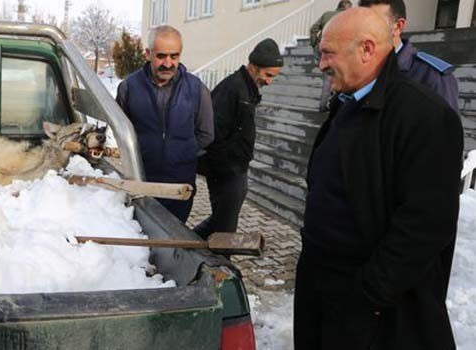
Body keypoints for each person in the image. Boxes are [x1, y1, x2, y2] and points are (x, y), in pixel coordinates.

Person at [295, 7, 463, 350]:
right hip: (325, 292)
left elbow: (425, 225)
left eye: (328, 53)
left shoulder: (425, 116)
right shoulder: (349, 102)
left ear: (367, 49)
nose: (321, 64)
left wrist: (365, 296)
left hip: (373, 314)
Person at [116, 25, 214, 223]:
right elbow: (120, 131)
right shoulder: (129, 87)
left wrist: (180, 153)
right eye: (161, 56)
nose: (168, 63)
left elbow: (206, 134)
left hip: (179, 187)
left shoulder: (196, 89)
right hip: (141, 181)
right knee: (141, 238)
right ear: (148, 54)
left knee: (173, 237)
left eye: (174, 56)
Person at [193, 39, 283, 239]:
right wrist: (228, 169)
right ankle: (221, 266)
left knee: (220, 223)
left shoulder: (247, 88)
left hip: (234, 171)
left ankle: (185, 244)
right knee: (225, 233)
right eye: (268, 75)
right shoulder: (233, 89)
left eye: (274, 77)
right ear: (253, 67)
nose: (270, 81)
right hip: (226, 174)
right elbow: (212, 134)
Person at [359, 0, 460, 112]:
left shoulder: (432, 76)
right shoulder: (357, 67)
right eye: (361, 24)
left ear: (398, 26)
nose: (364, 31)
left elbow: (446, 127)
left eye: (373, 24)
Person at [310, 1, 353, 112]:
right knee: (335, 77)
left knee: (329, 77)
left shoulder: (327, 14)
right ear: (347, 8)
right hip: (337, 52)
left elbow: (313, 28)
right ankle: (331, 104)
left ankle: (325, 104)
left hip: (322, 49)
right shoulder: (346, 17)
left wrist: (314, 44)